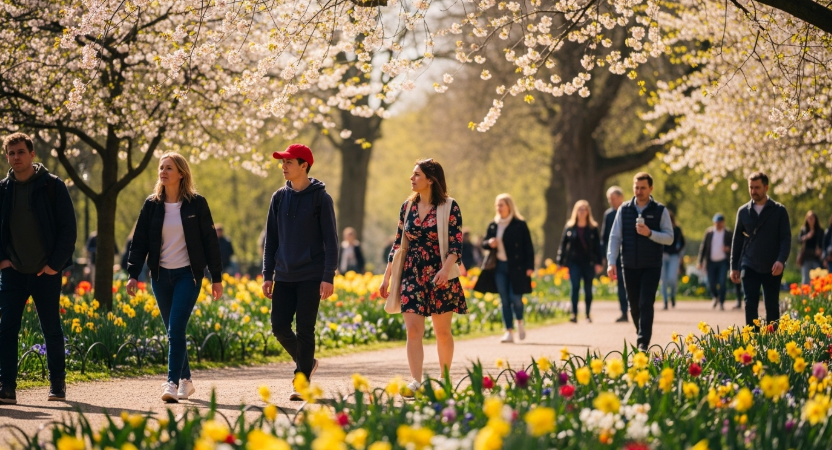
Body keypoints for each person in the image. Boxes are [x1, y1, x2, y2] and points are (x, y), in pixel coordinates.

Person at [126, 152, 223, 403]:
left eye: (169, 168)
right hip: (160, 276)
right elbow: (139, 242)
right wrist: (133, 274)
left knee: (176, 327)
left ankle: (172, 382)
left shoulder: (196, 204)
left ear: (181, 173)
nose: (163, 172)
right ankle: (186, 380)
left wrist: (216, 277)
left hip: (188, 276)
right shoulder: (152, 205)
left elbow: (210, 242)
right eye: (161, 167)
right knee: (173, 331)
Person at [0, 132, 77, 404]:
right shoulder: (3, 190)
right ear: (7, 157)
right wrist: (1, 260)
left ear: (32, 154)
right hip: (13, 273)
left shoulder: (52, 186)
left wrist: (54, 265)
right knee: (7, 329)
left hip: (46, 272)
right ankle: (7, 386)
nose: (16, 157)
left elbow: (68, 230)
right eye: (11, 153)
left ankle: (57, 385)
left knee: (51, 329)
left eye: (21, 152)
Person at [379, 159, 466, 394]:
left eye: (417, 174)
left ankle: (444, 379)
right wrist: (387, 276)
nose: (412, 178)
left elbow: (456, 244)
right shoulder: (407, 207)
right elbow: (398, 243)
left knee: (442, 332)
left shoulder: (449, 206)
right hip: (411, 272)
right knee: (413, 330)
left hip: (440, 273)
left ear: (431, 179)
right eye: (412, 174)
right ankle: (416, 381)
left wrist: (445, 270)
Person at [262, 144, 337, 401]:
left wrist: (328, 276)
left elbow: (331, 241)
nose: (283, 166)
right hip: (283, 274)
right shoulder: (278, 198)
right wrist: (267, 274)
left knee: (305, 329)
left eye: (289, 162)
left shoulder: (321, 199)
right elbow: (271, 240)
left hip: (311, 275)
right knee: (279, 327)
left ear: (304, 165)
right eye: (282, 162)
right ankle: (307, 362)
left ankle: (301, 380)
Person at [607, 173, 674, 351]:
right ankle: (641, 333)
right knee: (634, 306)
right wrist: (611, 261)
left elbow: (669, 238)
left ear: (651, 189)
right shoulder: (624, 209)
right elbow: (615, 237)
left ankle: (643, 342)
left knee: (646, 303)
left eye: (643, 188)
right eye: (636, 187)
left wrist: (650, 233)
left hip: (651, 265)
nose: (639, 191)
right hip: (629, 265)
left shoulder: (660, 210)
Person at [730, 172, 791, 329]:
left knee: (771, 305)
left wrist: (781, 260)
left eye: (757, 187)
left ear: (766, 187)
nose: (753, 191)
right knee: (750, 304)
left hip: (773, 266)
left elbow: (785, 239)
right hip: (749, 264)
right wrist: (734, 267)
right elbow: (737, 241)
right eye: (751, 187)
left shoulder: (779, 211)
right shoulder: (743, 212)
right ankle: (753, 339)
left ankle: (772, 340)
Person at [474, 194, 535, 342]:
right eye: (497, 205)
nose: (498, 208)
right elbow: (483, 244)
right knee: (504, 299)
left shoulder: (520, 224)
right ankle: (509, 331)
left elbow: (528, 246)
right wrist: (490, 243)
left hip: (517, 267)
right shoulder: (493, 224)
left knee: (516, 298)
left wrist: (530, 266)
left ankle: (519, 321)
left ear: (509, 206)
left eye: (501, 205)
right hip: (499, 267)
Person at [557, 200, 602, 323]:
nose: (582, 212)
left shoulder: (593, 228)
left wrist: (599, 262)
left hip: (588, 263)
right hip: (574, 263)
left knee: (588, 289)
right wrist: (560, 262)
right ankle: (574, 314)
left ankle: (587, 314)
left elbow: (598, 246)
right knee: (575, 287)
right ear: (575, 211)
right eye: (579, 209)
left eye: (584, 209)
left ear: (588, 212)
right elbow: (563, 245)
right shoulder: (570, 227)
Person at [602, 186, 628, 323]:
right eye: (609, 199)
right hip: (615, 256)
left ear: (621, 198)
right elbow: (605, 236)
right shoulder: (608, 215)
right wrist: (604, 256)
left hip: (630, 253)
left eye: (613, 198)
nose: (611, 201)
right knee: (621, 284)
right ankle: (624, 312)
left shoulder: (629, 211)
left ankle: (636, 310)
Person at [697, 213, 732, 310]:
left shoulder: (728, 233)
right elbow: (703, 247)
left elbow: (734, 246)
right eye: (716, 222)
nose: (718, 224)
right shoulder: (709, 233)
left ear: (723, 222)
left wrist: (728, 249)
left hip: (723, 262)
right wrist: (700, 261)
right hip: (711, 262)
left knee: (722, 282)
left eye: (720, 222)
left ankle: (721, 303)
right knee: (711, 283)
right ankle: (715, 297)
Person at [660, 211, 685, 310]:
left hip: (674, 256)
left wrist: (679, 254)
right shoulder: (660, 228)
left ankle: (672, 295)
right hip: (662, 256)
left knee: (672, 279)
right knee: (663, 280)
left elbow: (682, 243)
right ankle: (665, 301)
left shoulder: (677, 229)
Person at [797, 211, 824, 285]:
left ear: (815, 219)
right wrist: (807, 236)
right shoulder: (804, 229)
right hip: (806, 257)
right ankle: (805, 292)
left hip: (816, 258)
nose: (810, 220)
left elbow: (823, 243)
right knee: (806, 279)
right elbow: (799, 240)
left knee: (817, 279)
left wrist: (820, 250)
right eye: (809, 218)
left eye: (812, 218)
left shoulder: (820, 231)